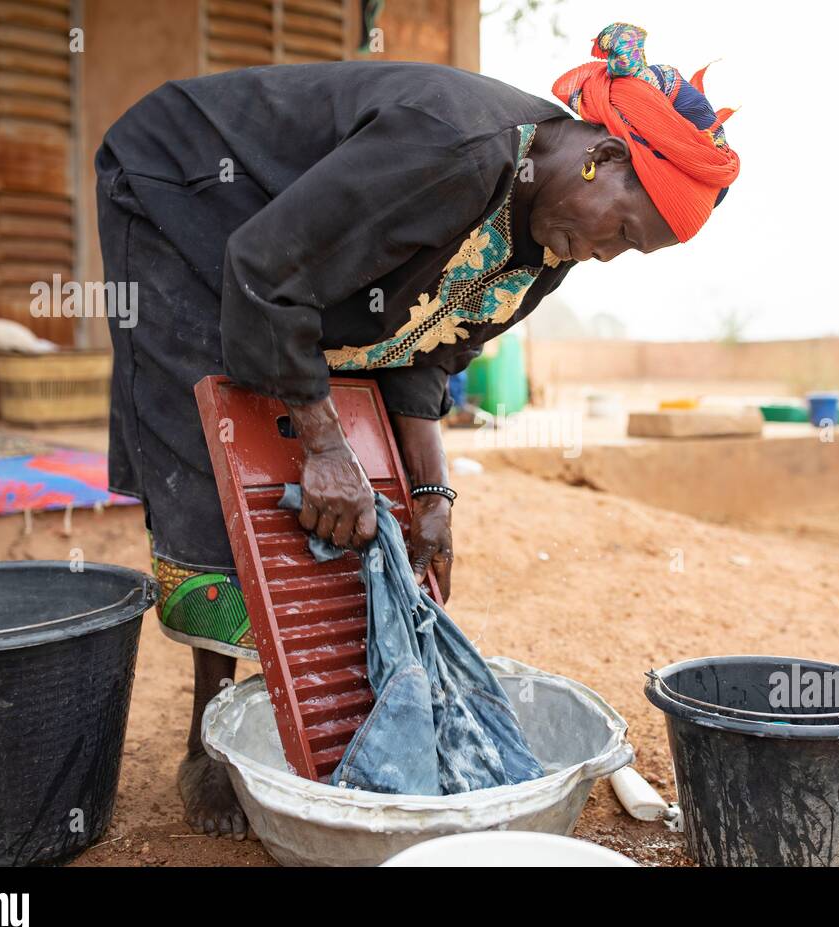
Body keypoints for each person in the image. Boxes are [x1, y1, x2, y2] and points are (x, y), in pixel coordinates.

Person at [94, 22, 740, 836]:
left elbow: (423, 352)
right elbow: (264, 270)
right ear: (603, 158)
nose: (610, 256)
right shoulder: (455, 149)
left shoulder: (548, 244)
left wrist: (433, 495)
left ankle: (293, 714)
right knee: (228, 438)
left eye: (631, 252)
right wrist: (323, 445)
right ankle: (209, 742)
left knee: (339, 463)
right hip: (182, 188)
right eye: (624, 230)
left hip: (272, 246)